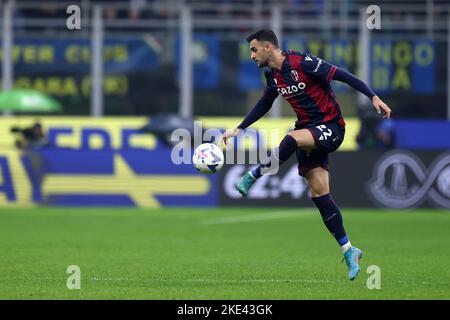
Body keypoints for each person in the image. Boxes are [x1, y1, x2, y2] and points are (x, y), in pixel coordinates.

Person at [221, 29, 391, 281]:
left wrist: (373, 96)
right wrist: (239, 128)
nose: (252, 56)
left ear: (269, 47)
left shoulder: (303, 63)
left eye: (254, 50)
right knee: (319, 194)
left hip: (332, 127)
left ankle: (254, 175)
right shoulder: (273, 74)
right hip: (308, 130)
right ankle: (349, 250)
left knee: (292, 138)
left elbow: (342, 75)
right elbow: (266, 102)